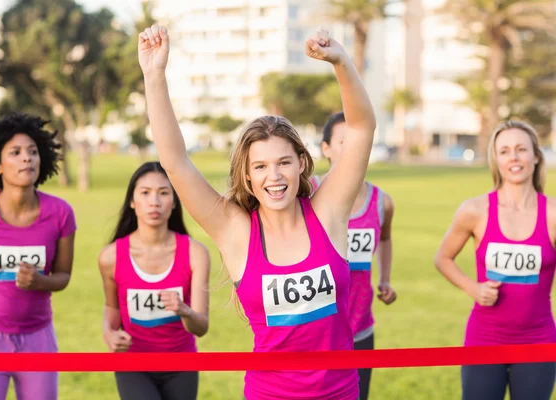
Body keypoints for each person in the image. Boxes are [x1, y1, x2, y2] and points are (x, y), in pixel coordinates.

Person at [138, 23, 376, 400]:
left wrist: (341, 61)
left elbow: (362, 128)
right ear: (247, 177)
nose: (274, 176)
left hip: (339, 392)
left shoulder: (329, 212)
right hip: (270, 393)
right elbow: (175, 162)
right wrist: (154, 75)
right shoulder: (235, 231)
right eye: (261, 167)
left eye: (283, 162)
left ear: (301, 163)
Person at [0, 112, 77, 400]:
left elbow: (63, 277)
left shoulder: (60, 213)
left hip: (38, 338)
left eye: (33, 152)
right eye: (16, 152)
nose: (27, 159)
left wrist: (40, 281)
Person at [434, 120, 556, 400]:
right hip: (485, 338)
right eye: (504, 151)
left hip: (538, 340)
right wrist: (472, 288)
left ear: (536, 156)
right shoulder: (475, 210)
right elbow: (443, 258)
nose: (513, 157)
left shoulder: (553, 214)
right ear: (496, 160)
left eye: (521, 149)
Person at [98, 161, 210, 400]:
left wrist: (185, 311)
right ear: (132, 201)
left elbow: (201, 327)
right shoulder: (110, 257)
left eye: (164, 193)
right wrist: (109, 333)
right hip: (133, 366)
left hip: (182, 366)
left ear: (174, 201)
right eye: (145, 193)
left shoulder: (195, 253)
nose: (154, 202)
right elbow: (112, 308)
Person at [310, 111, 397, 400]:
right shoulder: (308, 193)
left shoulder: (382, 201)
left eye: (358, 142)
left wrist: (385, 278)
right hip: (314, 336)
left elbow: (385, 238)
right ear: (326, 149)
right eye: (343, 142)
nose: (352, 150)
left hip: (359, 329)